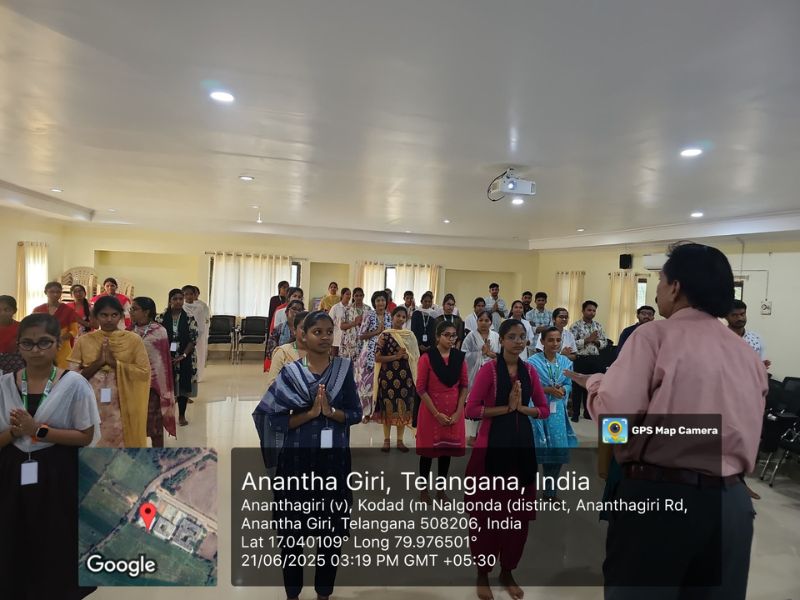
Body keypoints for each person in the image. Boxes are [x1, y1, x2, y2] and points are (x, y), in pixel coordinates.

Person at [566, 242, 768, 599]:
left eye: (659, 280)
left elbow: (617, 423)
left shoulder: (654, 335)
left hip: (662, 499)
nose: (657, 289)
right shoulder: (747, 355)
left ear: (675, 287)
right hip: (732, 505)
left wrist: (597, 388)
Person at [252, 311, 362, 600]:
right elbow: (270, 418)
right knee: (292, 536)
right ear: (303, 335)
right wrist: (312, 414)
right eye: (318, 332)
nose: (325, 337)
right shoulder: (291, 373)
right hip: (296, 465)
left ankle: (324, 593)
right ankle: (293, 593)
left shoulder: (343, 369)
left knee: (331, 534)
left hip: (333, 465)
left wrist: (332, 413)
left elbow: (356, 413)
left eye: (329, 331)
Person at [0, 313, 100, 598]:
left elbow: (85, 435)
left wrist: (37, 430)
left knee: (55, 535)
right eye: (28, 344)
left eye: (44, 342)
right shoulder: (5, 384)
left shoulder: (74, 384)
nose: (36, 350)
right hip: (12, 471)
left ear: (58, 344)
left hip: (57, 472)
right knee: (14, 532)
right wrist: (17, 433)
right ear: (18, 346)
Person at [464, 318, 549, 600]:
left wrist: (522, 409)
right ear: (501, 340)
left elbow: (545, 409)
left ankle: (508, 570)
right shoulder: (490, 371)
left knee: (516, 520)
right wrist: (506, 409)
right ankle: (482, 572)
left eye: (521, 337)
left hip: (521, 452)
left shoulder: (530, 372)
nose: (517, 341)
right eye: (511, 336)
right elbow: (472, 410)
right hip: (490, 453)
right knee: (486, 518)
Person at [68, 295, 150, 447]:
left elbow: (144, 372)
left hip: (123, 403)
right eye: (104, 315)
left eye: (114, 315)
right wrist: (98, 363)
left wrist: (115, 363)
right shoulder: (84, 340)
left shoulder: (133, 340)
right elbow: (71, 379)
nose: (109, 319)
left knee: (121, 447)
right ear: (96, 316)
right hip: (91, 403)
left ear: (120, 316)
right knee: (93, 446)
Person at [415, 321, 468, 503]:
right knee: (428, 454)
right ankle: (423, 491)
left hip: (453, 411)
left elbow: (464, 386)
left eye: (454, 335)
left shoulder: (459, 357)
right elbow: (421, 388)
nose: (451, 339)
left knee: (446, 453)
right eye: (447, 335)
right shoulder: (427, 358)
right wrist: (436, 413)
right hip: (431, 410)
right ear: (438, 336)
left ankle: (440, 490)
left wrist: (458, 411)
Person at [528, 327, 578, 499]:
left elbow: (570, 384)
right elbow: (528, 387)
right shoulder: (532, 362)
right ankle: (527, 491)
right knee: (534, 449)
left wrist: (563, 389)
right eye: (550, 340)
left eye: (558, 340)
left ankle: (550, 492)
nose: (555, 344)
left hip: (557, 412)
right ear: (542, 342)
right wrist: (547, 389)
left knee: (556, 451)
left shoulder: (565, 362)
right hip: (536, 410)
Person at [129, 297, 177, 447]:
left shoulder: (159, 331)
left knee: (155, 428)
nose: (131, 312)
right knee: (133, 427)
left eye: (134, 309)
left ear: (146, 312)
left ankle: (158, 456)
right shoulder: (128, 331)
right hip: (132, 385)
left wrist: (160, 387)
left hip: (153, 388)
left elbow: (162, 363)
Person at [373, 306, 420, 452]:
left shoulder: (410, 335)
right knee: (388, 408)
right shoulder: (385, 335)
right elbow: (377, 357)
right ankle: (386, 440)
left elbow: (416, 357)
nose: (400, 319)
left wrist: (408, 356)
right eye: (398, 316)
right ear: (392, 317)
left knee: (403, 408)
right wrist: (396, 357)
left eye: (403, 317)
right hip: (388, 378)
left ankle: (400, 441)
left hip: (406, 378)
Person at [156, 289, 199, 427]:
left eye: (181, 298)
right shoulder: (160, 318)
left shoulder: (189, 318)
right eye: (175, 299)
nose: (178, 301)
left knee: (183, 387)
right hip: (164, 358)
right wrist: (166, 356)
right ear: (170, 301)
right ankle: (166, 415)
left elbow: (193, 340)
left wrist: (183, 355)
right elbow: (156, 339)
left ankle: (181, 415)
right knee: (166, 387)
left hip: (185, 357)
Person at [461, 310, 500, 446]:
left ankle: (484, 433)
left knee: (489, 403)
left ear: (491, 322)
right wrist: (480, 353)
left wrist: (490, 354)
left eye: (487, 320)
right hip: (476, 374)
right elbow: (464, 354)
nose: (483, 323)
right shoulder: (471, 336)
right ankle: (472, 435)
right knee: (476, 403)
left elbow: (501, 355)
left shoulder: (495, 336)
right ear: (476, 321)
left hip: (492, 373)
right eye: (480, 320)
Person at [356, 291, 392, 421]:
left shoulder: (389, 316)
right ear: (374, 303)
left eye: (383, 300)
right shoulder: (368, 315)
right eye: (378, 301)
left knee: (381, 383)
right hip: (369, 355)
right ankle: (366, 414)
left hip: (384, 353)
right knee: (367, 383)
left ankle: (378, 413)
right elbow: (361, 335)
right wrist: (376, 332)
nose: (380, 303)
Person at [569, 300, 608, 421]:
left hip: (595, 359)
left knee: (591, 386)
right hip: (581, 358)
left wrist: (595, 341)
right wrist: (587, 340)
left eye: (594, 310)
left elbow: (604, 343)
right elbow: (572, 343)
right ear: (583, 311)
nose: (592, 313)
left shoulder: (598, 326)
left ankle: (588, 412)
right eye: (589, 310)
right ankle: (575, 413)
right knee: (577, 386)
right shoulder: (575, 326)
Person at [33, 281, 79, 369]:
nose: (55, 294)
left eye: (58, 292)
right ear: (45, 292)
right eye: (51, 292)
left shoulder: (68, 310)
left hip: (62, 348)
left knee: (61, 374)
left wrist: (59, 339)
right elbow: (32, 329)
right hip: (42, 347)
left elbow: (74, 331)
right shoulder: (38, 310)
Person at [265, 311, 308, 389]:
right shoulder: (283, 352)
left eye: (311, 328)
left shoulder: (319, 352)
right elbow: (272, 384)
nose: (307, 331)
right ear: (294, 330)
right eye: (303, 328)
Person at [725, 300, 771, 369]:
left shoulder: (756, 338)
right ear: (726, 317)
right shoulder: (718, 339)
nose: (740, 318)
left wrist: (761, 365)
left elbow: (759, 363)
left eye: (742, 314)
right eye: (734, 315)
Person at [265, 299, 304, 371]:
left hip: (302, 367)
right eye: (294, 309)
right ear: (286, 312)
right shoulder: (278, 329)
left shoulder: (307, 330)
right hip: (281, 367)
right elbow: (270, 353)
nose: (297, 312)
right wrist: (289, 344)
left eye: (300, 310)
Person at [181, 285, 210, 382]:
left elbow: (202, 323)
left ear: (195, 295)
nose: (189, 296)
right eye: (186, 294)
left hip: (198, 336)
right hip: (184, 336)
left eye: (191, 294)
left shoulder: (200, 307)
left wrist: (196, 336)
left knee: (198, 355)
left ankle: (198, 376)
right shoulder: (182, 307)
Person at [339, 287, 369, 360]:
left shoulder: (368, 309)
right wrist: (354, 323)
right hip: (350, 342)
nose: (359, 298)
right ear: (353, 296)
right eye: (356, 295)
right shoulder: (347, 309)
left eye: (360, 295)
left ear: (363, 296)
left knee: (361, 366)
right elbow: (342, 326)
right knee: (349, 365)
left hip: (364, 342)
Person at [0, 295, 24, 374]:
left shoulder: (22, 328)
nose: (2, 313)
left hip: (16, 369)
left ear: (14, 310)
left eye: (7, 309)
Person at [329, 287, 351, 357]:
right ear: (342, 295)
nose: (349, 296)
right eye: (347, 294)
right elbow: (329, 322)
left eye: (350, 294)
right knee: (334, 359)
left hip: (348, 339)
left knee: (345, 360)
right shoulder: (335, 307)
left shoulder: (352, 308)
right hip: (337, 338)